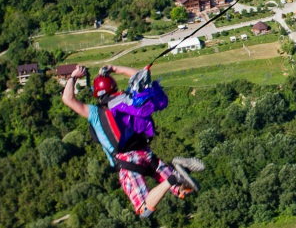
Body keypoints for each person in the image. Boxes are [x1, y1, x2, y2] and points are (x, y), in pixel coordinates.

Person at [62, 64, 204, 217]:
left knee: (144, 210)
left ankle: (175, 176)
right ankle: (180, 172)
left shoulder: (96, 113)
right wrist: (116, 68)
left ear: (97, 93)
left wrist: (73, 76)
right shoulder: (127, 99)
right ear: (113, 86)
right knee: (182, 190)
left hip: (126, 161)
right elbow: (140, 77)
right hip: (146, 154)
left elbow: (67, 99)